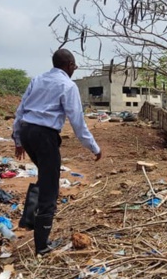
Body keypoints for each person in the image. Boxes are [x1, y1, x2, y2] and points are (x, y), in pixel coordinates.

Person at [12, 49, 102, 255]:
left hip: (27, 132)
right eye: (74, 67)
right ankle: (42, 246)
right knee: (50, 189)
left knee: (45, 176)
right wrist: (94, 148)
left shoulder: (37, 79)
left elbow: (20, 111)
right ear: (70, 65)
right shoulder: (67, 85)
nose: (74, 71)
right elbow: (77, 122)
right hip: (44, 136)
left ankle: (29, 219)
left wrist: (18, 140)